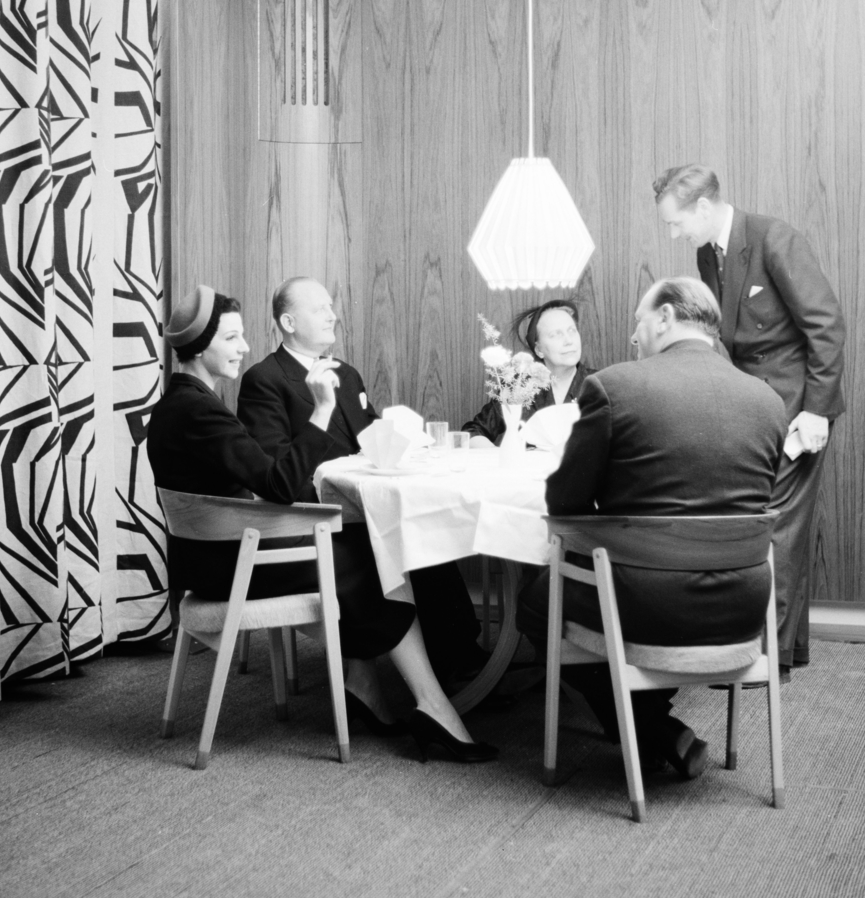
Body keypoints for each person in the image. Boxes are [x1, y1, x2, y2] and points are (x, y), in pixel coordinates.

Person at [147, 284, 496, 763]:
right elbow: (279, 482)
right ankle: (431, 706)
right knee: (380, 558)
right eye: (231, 338)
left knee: (367, 551)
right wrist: (323, 409)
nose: (244, 347)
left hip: (212, 559)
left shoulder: (179, 403)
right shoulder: (200, 410)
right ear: (200, 347)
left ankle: (370, 686)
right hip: (232, 567)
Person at [517, 277, 787, 778]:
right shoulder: (768, 400)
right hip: (744, 604)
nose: (634, 336)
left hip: (648, 606)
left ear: (665, 317)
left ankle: (648, 729)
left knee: (535, 601)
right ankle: (650, 723)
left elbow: (565, 504)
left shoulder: (615, 387)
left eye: (639, 321)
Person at [237, 277, 486, 688]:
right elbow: (278, 474)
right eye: (319, 309)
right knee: (410, 539)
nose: (332, 315)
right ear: (288, 322)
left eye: (330, 306)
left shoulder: (346, 375)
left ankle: (460, 658)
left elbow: (374, 439)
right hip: (314, 518)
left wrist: (410, 442)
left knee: (424, 532)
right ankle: (457, 668)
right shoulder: (264, 380)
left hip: (365, 507)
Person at [653, 164, 846, 675]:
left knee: (777, 528)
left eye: (676, 223)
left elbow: (826, 326)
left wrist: (817, 411)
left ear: (702, 207)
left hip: (796, 409)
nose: (674, 234)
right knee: (773, 525)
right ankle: (785, 649)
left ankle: (765, 659)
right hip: (751, 407)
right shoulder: (706, 252)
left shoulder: (774, 238)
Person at [462, 300, 594, 446]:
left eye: (572, 331)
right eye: (556, 334)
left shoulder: (603, 385)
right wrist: (500, 455)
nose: (569, 341)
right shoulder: (519, 387)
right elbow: (472, 432)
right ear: (539, 350)